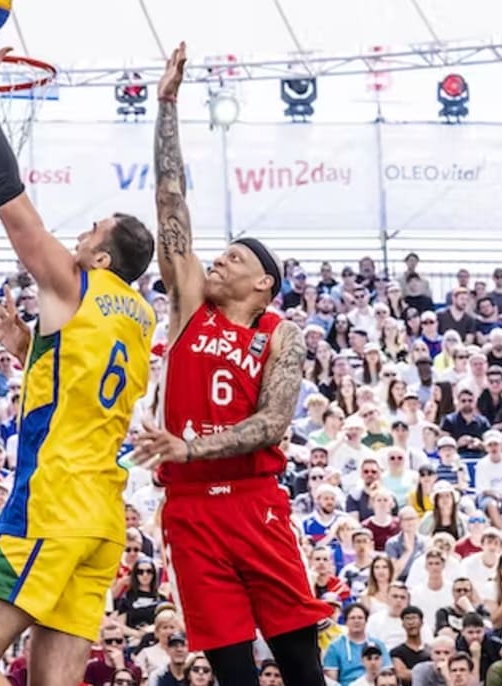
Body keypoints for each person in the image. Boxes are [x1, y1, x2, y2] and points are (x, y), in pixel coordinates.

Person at [0, 18, 156, 686]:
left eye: (90, 230)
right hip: (101, 519)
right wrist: (32, 347)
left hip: (50, 505)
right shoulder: (139, 317)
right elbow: (85, 381)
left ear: (99, 255)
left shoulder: (75, 281)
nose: (79, 234)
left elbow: (13, 208)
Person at [128, 42, 329, 686]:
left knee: (301, 668)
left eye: (235, 258)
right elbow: (169, 200)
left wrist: (191, 446)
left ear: (265, 283)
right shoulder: (189, 305)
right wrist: (166, 105)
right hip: (190, 513)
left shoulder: (281, 333)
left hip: (255, 501)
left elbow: (273, 423)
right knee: (232, 673)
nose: (219, 259)